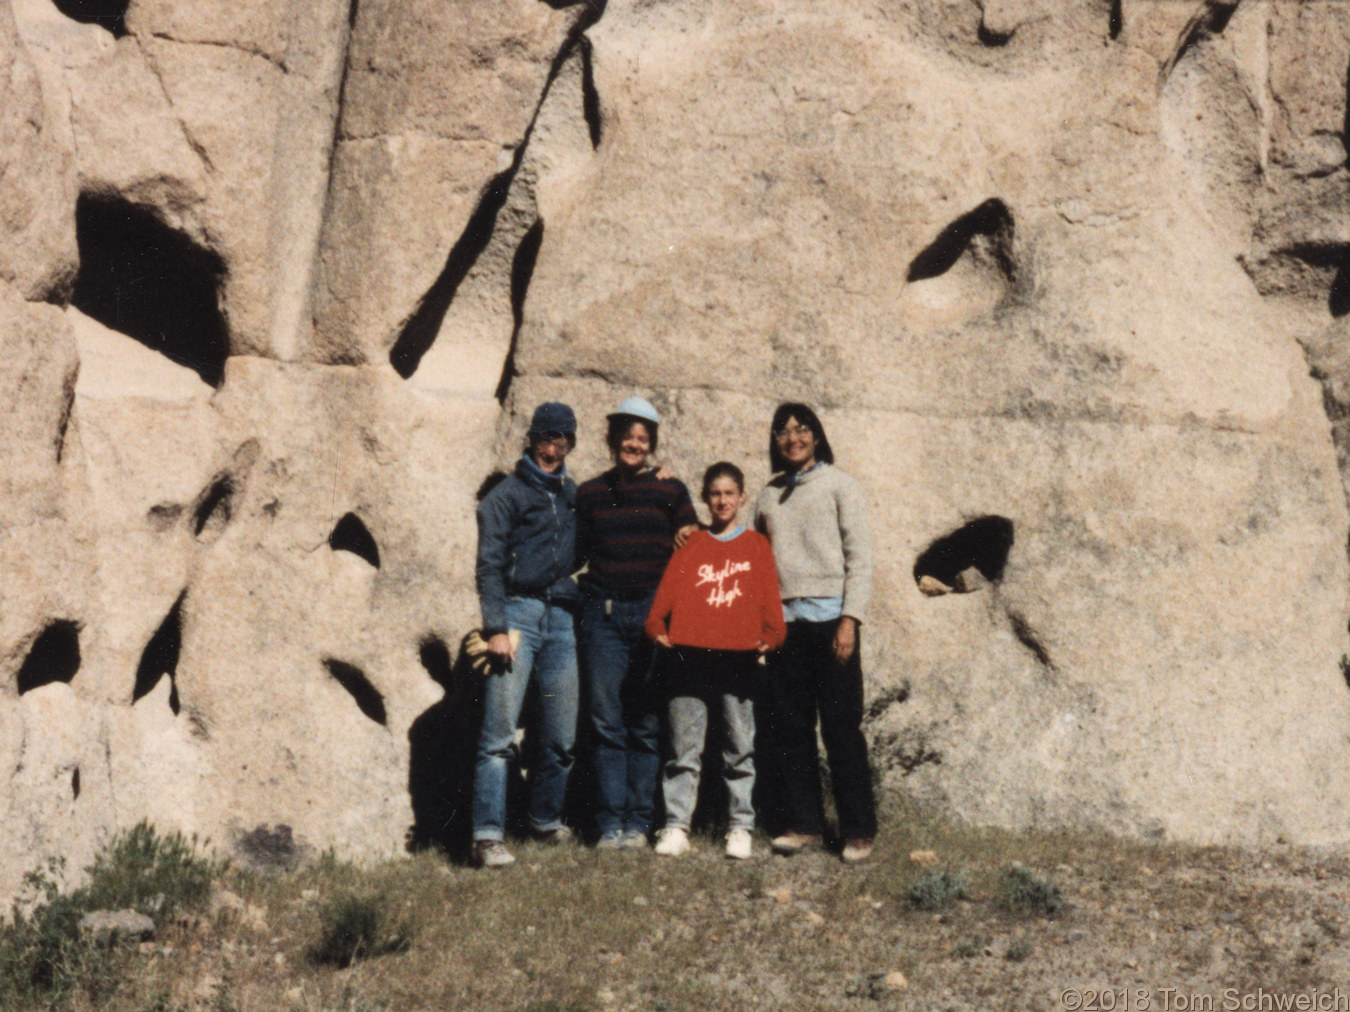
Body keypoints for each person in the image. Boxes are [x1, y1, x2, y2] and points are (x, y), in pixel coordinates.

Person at [754, 402, 878, 863]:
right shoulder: (767, 497)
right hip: (786, 627)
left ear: (817, 435)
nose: (792, 438)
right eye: (782, 431)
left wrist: (850, 620)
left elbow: (860, 559)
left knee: (842, 729)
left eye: (801, 429)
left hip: (832, 624)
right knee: (791, 729)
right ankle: (804, 824)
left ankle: (858, 830)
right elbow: (755, 562)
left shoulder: (841, 486)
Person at [644, 462, 786, 859]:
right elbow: (663, 602)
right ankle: (675, 826)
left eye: (729, 493)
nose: (722, 501)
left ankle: (739, 827)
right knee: (683, 749)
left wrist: (773, 636)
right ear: (705, 498)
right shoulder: (691, 544)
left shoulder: (756, 545)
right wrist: (656, 628)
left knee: (739, 748)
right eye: (714, 493)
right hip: (689, 658)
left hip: (738, 660)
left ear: (742, 497)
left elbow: (769, 601)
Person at [576, 396, 699, 849]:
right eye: (627, 436)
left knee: (645, 724)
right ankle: (611, 823)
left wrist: (689, 532)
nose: (634, 444)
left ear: (652, 446)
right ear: (613, 440)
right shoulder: (589, 493)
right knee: (607, 722)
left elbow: (692, 533)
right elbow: (573, 553)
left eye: (643, 439)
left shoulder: (670, 490)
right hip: (604, 618)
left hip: (651, 618)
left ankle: (639, 822)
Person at [471, 402, 582, 868]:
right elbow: (489, 565)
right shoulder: (505, 496)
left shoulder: (572, 494)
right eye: (546, 439)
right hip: (516, 616)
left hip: (561, 617)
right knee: (499, 735)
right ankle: (487, 836)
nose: (553, 450)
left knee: (560, 736)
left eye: (562, 441)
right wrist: (496, 627)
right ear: (532, 440)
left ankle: (543, 819)